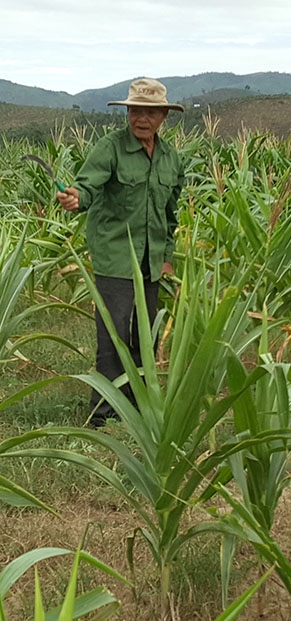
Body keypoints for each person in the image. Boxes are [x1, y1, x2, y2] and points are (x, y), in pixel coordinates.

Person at [57, 78, 185, 427]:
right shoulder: (110, 148)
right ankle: (105, 413)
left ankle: (140, 405)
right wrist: (75, 198)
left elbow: (170, 213)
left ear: (163, 117)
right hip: (115, 257)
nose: (141, 118)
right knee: (113, 334)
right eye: (135, 111)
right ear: (127, 112)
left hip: (152, 261)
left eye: (150, 112)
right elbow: (87, 187)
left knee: (146, 335)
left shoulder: (171, 159)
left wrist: (167, 255)